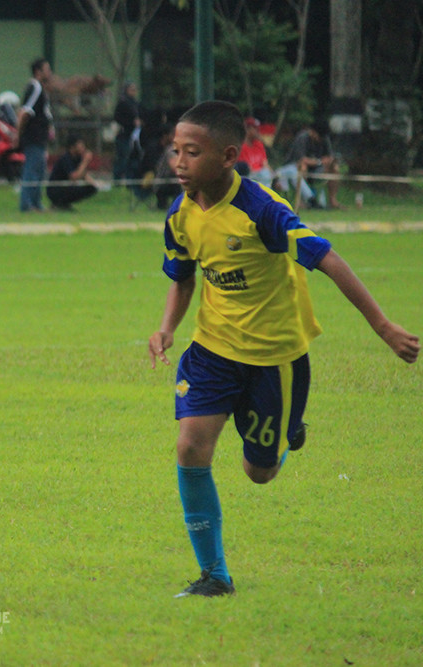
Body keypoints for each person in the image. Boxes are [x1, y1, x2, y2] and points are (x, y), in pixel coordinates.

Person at [148, 100, 419, 598]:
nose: (179, 163)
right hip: (212, 350)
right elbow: (183, 277)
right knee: (190, 447)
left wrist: (382, 326)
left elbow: (328, 258)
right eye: (175, 151)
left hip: (276, 359)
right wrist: (167, 327)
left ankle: (288, 433)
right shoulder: (180, 214)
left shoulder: (262, 210)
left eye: (191, 152)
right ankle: (215, 576)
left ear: (228, 156)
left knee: (260, 472)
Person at [14, 57, 54, 212]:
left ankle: (36, 204)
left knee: (39, 171)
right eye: (47, 70)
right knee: (31, 170)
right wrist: (18, 134)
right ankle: (27, 204)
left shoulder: (41, 89)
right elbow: (24, 112)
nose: (50, 73)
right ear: (38, 72)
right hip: (34, 137)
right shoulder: (35, 87)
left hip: (41, 138)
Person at [276, 120, 341, 209]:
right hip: (294, 168)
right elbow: (301, 160)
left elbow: (329, 157)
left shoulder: (324, 138)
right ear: (313, 132)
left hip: (316, 169)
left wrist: (329, 162)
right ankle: (307, 200)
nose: (320, 139)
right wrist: (320, 161)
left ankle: (333, 200)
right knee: (303, 167)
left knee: (335, 168)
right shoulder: (302, 138)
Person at [46, 136, 99, 211]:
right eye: (81, 146)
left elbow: (83, 174)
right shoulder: (66, 159)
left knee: (91, 188)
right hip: (56, 189)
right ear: (73, 147)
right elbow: (74, 177)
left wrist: (95, 184)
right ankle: (58, 203)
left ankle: (64, 204)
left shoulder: (78, 158)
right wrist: (85, 162)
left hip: (67, 187)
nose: (83, 148)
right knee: (77, 189)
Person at [112, 81, 142, 185]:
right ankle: (117, 180)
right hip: (124, 135)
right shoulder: (123, 103)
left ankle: (131, 181)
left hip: (135, 136)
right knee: (122, 158)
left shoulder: (136, 104)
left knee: (132, 159)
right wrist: (131, 123)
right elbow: (117, 118)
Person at [236, 117, 275, 188]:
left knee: (274, 174)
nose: (258, 132)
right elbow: (247, 169)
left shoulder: (259, 144)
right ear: (247, 129)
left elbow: (265, 163)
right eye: (256, 129)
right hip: (249, 176)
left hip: (262, 176)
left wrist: (273, 174)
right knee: (264, 175)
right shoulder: (241, 146)